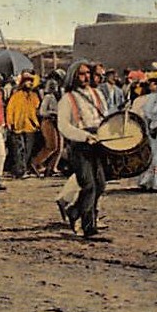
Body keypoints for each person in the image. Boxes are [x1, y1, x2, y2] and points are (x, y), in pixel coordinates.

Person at [56, 60, 108, 239]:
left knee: (100, 184)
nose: (86, 77)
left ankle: (74, 211)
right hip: (80, 145)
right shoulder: (67, 99)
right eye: (81, 74)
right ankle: (89, 227)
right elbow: (63, 126)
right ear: (73, 76)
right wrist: (84, 136)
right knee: (88, 185)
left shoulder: (98, 94)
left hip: (99, 142)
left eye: (88, 73)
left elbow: (105, 117)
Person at [6, 71, 40, 178]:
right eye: (27, 82)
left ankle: (23, 169)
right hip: (18, 126)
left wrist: (36, 124)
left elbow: (34, 111)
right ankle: (19, 170)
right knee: (19, 150)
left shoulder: (34, 96)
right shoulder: (16, 96)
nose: (29, 84)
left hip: (30, 127)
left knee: (27, 150)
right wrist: (10, 123)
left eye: (31, 82)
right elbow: (9, 110)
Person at [32, 79, 62, 177]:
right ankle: (36, 163)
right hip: (48, 122)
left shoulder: (59, 96)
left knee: (59, 148)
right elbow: (42, 112)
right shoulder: (48, 97)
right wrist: (52, 113)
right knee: (51, 146)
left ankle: (52, 167)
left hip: (58, 122)